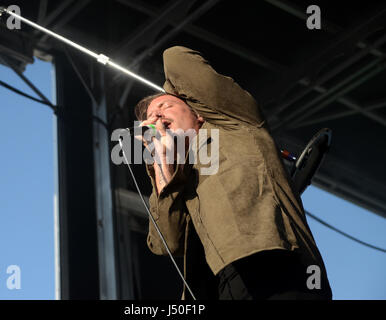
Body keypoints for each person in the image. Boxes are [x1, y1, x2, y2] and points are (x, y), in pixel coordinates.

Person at [134, 46, 332, 300]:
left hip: (275, 261)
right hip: (220, 286)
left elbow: (176, 58)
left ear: (199, 113)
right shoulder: (178, 173)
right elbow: (166, 242)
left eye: (165, 105)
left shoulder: (233, 122)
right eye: (150, 117)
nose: (156, 116)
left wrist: (170, 95)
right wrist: (162, 164)